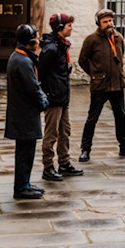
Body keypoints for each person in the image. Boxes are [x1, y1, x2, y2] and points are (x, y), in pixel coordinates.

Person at [77, 9, 125, 162]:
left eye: (111, 20)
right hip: (100, 85)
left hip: (117, 84)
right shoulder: (91, 39)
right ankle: (85, 149)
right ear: (99, 23)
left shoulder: (118, 37)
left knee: (120, 116)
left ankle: (124, 146)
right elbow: (82, 60)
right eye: (105, 21)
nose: (109, 24)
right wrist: (95, 73)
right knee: (92, 118)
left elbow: (121, 56)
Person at [4, 23, 49, 199]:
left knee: (26, 152)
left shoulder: (21, 57)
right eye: (36, 37)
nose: (38, 40)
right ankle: (22, 187)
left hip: (23, 113)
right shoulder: (22, 61)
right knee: (25, 153)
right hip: (24, 114)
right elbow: (33, 88)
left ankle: (25, 183)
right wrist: (44, 101)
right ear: (30, 41)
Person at [38, 13, 84, 181]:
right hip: (53, 97)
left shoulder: (61, 45)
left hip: (63, 96)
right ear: (59, 28)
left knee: (65, 131)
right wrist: (47, 94)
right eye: (69, 25)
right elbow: (40, 73)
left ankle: (64, 163)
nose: (71, 28)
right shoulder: (51, 49)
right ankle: (48, 167)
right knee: (51, 134)